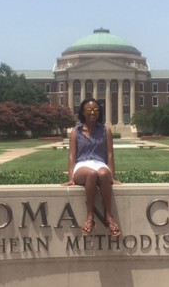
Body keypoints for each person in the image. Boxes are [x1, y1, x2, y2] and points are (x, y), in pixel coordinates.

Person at [63, 98, 122, 237]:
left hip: (100, 164)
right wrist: (71, 177)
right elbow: (72, 156)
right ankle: (90, 217)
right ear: (83, 112)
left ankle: (109, 216)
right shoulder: (75, 131)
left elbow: (109, 155)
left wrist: (112, 177)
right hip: (82, 166)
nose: (92, 113)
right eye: (89, 110)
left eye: (96, 110)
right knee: (91, 174)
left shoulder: (105, 130)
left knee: (101, 174)